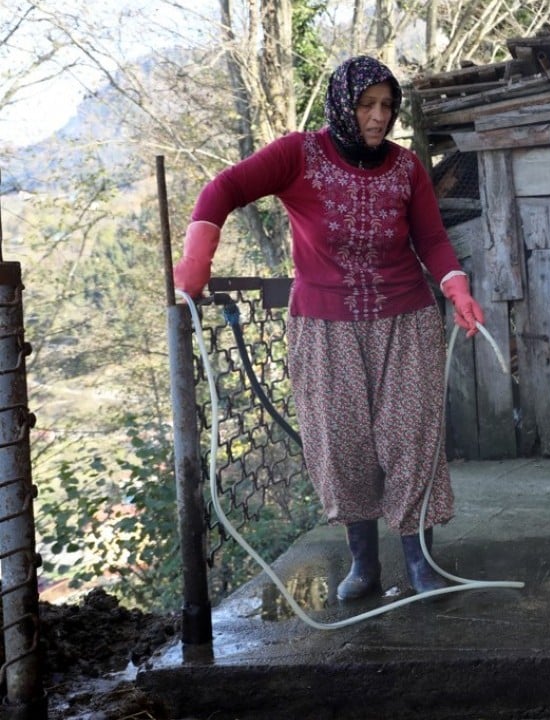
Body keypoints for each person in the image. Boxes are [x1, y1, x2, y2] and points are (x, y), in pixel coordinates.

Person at [171, 55, 483, 601]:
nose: (379, 117)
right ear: (342, 105)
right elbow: (222, 190)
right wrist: (197, 261)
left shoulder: (407, 168)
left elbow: (432, 239)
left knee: (411, 439)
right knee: (341, 445)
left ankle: (421, 561)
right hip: (324, 328)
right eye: (367, 105)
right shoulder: (298, 154)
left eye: (387, 106)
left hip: (406, 322)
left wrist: (456, 287)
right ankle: (364, 564)